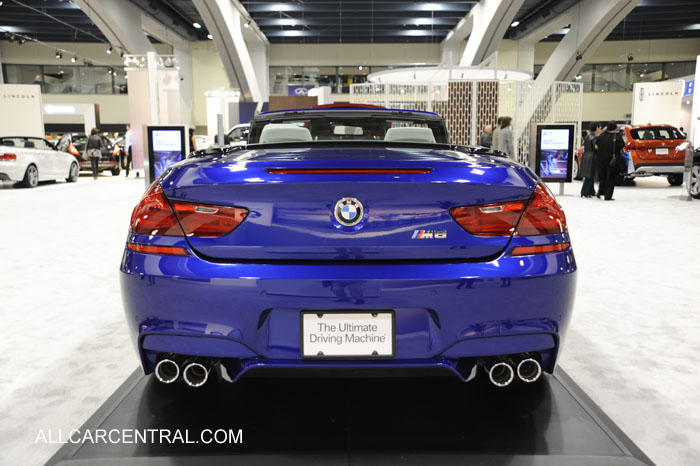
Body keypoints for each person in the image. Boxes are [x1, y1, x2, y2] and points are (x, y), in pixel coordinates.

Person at [595, 121, 626, 201]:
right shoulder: (616, 136)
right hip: (612, 160)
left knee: (603, 176)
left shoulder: (602, 135)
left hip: (601, 159)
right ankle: (608, 195)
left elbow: (597, 143)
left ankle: (600, 192)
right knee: (611, 178)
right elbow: (621, 145)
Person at [580, 122, 601, 198]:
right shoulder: (595, 137)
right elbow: (596, 146)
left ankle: (591, 191)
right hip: (592, 158)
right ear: (597, 128)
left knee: (589, 175)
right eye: (599, 128)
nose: (600, 129)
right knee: (590, 176)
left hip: (586, 156)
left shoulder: (587, 136)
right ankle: (584, 192)